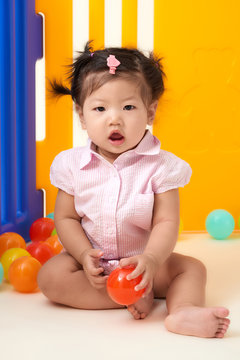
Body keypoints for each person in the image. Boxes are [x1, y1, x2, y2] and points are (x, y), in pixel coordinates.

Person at [38, 42, 230, 338]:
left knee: (192, 270)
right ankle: (121, 296)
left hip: (144, 263)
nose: (115, 119)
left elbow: (166, 221)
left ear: (150, 112)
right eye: (100, 108)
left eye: (128, 107)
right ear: (81, 115)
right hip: (95, 268)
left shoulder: (162, 167)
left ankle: (183, 311)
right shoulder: (72, 165)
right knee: (50, 278)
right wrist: (83, 253)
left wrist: (152, 260)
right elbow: (66, 219)